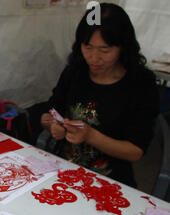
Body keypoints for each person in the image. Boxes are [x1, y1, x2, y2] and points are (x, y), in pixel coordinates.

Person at [40, 3, 159, 188]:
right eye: (87, 47)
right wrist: (52, 125)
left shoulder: (140, 84)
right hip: (65, 172)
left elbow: (135, 151)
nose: (94, 58)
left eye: (105, 50)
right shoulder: (75, 72)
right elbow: (48, 114)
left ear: (123, 47)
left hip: (111, 181)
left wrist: (90, 136)